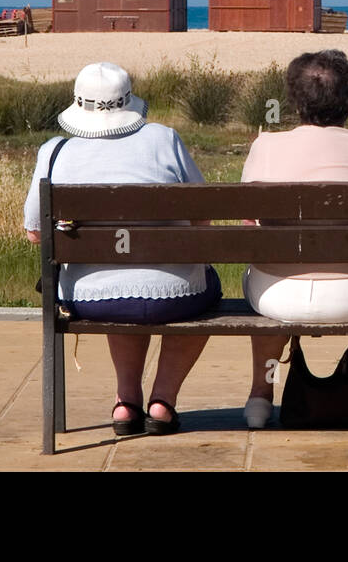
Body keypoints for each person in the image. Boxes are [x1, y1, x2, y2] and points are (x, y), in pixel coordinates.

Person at [22, 61, 220, 437]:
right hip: (177, 295)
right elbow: (203, 216)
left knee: (118, 282)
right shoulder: (164, 139)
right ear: (128, 102)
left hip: (90, 297)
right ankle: (162, 402)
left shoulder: (55, 152)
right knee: (199, 292)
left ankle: (126, 402)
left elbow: (35, 232)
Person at [239, 50, 348, 430]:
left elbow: (249, 223)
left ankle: (259, 399)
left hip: (277, 294)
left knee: (262, 275)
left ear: (294, 98)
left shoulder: (265, 146)